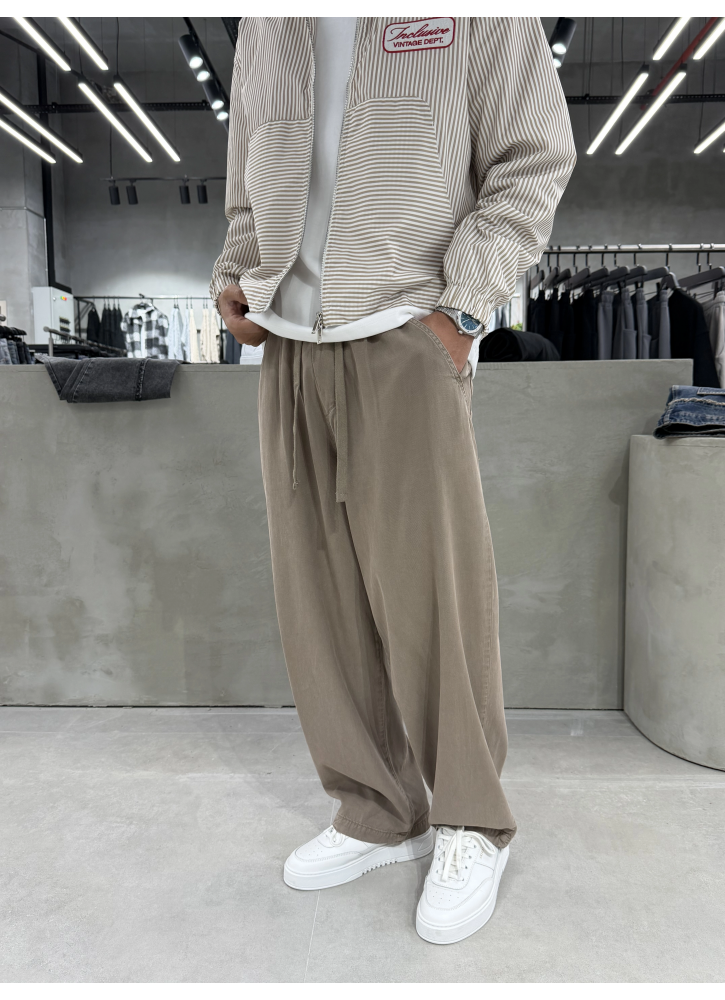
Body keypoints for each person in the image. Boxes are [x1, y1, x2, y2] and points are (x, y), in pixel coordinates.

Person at [213, 16, 575, 945]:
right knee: (317, 596)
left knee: (433, 594)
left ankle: (470, 820)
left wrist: (462, 309)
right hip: (287, 343)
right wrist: (235, 277)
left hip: (406, 325)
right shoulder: (265, 23)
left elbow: (531, 156)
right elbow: (246, 183)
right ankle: (377, 809)